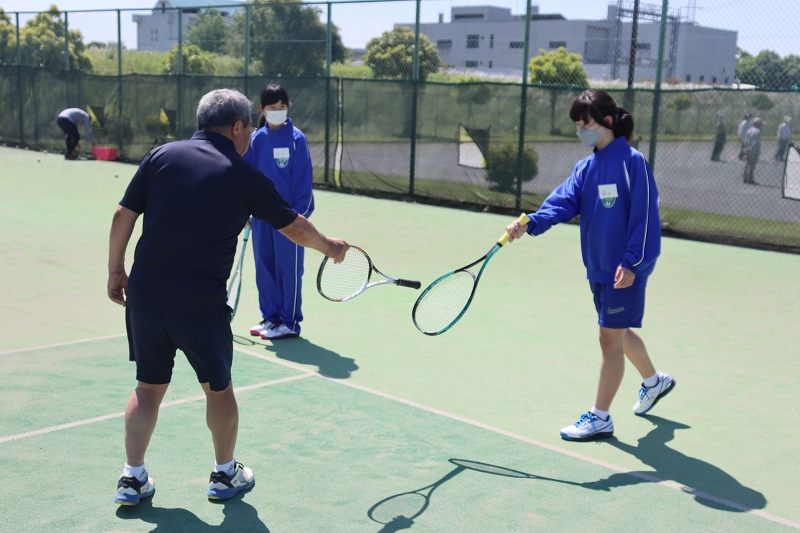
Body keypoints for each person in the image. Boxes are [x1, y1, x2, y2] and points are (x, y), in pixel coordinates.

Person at [107, 88, 348, 505]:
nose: (252, 134)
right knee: (219, 391)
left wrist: (116, 270)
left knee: (147, 390)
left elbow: (122, 214)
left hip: (145, 297)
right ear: (237, 127)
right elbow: (293, 227)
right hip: (199, 306)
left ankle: (132, 478)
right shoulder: (244, 175)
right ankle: (224, 475)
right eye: (250, 127)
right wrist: (330, 247)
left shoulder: (160, 156)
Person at [504, 90, 675, 442]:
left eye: (586, 123)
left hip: (624, 272)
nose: (580, 129)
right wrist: (530, 223)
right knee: (616, 332)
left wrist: (632, 263)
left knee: (608, 339)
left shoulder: (632, 162)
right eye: (578, 124)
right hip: (597, 268)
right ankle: (654, 382)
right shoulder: (585, 168)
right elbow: (562, 203)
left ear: (607, 121)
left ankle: (600, 418)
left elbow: (645, 218)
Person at [245, 84, 315, 341]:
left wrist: (297, 217)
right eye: (272, 107)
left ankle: (290, 322)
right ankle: (271, 318)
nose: (278, 111)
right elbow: (246, 178)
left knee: (289, 269)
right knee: (264, 267)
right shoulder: (256, 139)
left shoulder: (297, 139)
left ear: (288, 107)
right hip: (261, 219)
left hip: (289, 219)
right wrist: (246, 211)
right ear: (262, 109)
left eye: (282, 107)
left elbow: (304, 182)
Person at [742, 117, 763, 184]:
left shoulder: (749, 130)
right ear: (759, 124)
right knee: (752, 165)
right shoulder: (758, 132)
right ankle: (750, 179)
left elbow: (746, 140)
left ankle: (745, 177)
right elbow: (755, 142)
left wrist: (746, 149)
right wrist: (751, 149)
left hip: (747, 149)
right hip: (754, 150)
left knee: (747, 163)